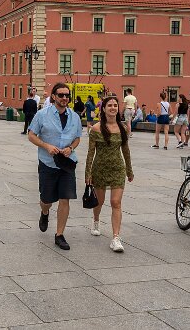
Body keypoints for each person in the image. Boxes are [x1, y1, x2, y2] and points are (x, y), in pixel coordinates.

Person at [27, 83, 82, 251]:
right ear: (54, 96)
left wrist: (71, 148)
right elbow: (31, 135)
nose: (64, 98)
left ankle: (59, 235)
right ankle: (45, 213)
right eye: (61, 95)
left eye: (67, 95)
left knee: (65, 198)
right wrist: (46, 146)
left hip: (67, 163)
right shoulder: (42, 115)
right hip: (47, 163)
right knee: (47, 200)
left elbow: (78, 138)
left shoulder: (75, 117)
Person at [85, 96, 134, 253]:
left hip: (117, 169)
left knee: (115, 202)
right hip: (100, 168)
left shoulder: (123, 128)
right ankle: (96, 221)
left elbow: (126, 151)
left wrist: (129, 170)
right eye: (110, 105)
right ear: (104, 109)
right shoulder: (96, 129)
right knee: (99, 201)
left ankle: (115, 238)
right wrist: (88, 173)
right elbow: (90, 153)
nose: (113, 108)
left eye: (115, 105)